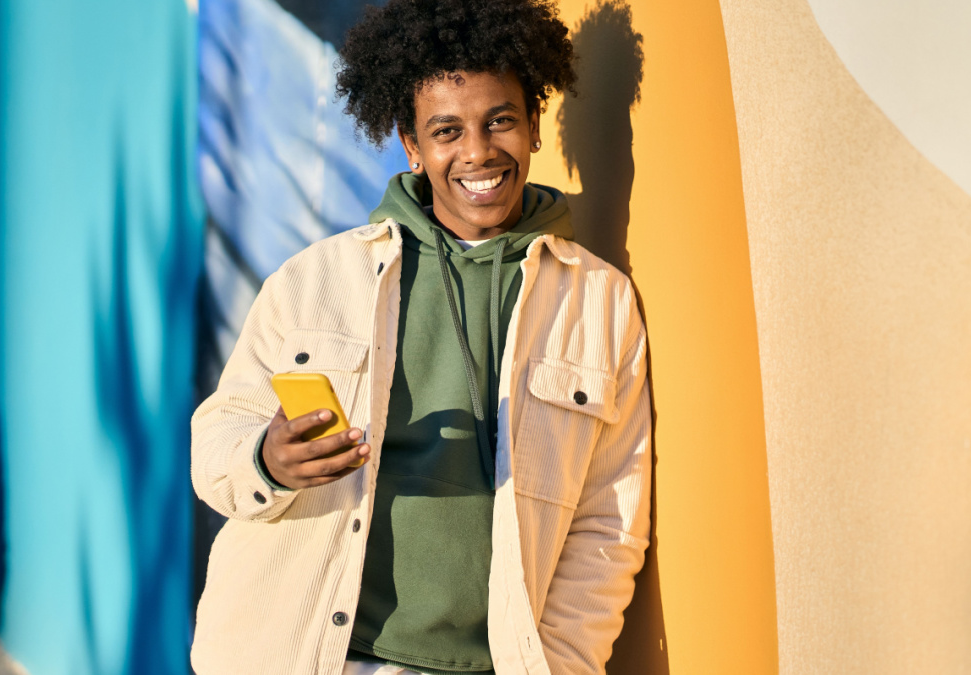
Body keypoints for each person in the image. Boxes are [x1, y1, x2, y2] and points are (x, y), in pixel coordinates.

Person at [189, 0, 652, 673]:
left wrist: (562, 662)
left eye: (500, 121)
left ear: (533, 126)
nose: (478, 152)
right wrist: (267, 459)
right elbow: (215, 443)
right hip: (307, 654)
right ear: (411, 143)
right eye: (447, 130)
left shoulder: (601, 303)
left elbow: (611, 518)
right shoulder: (316, 278)